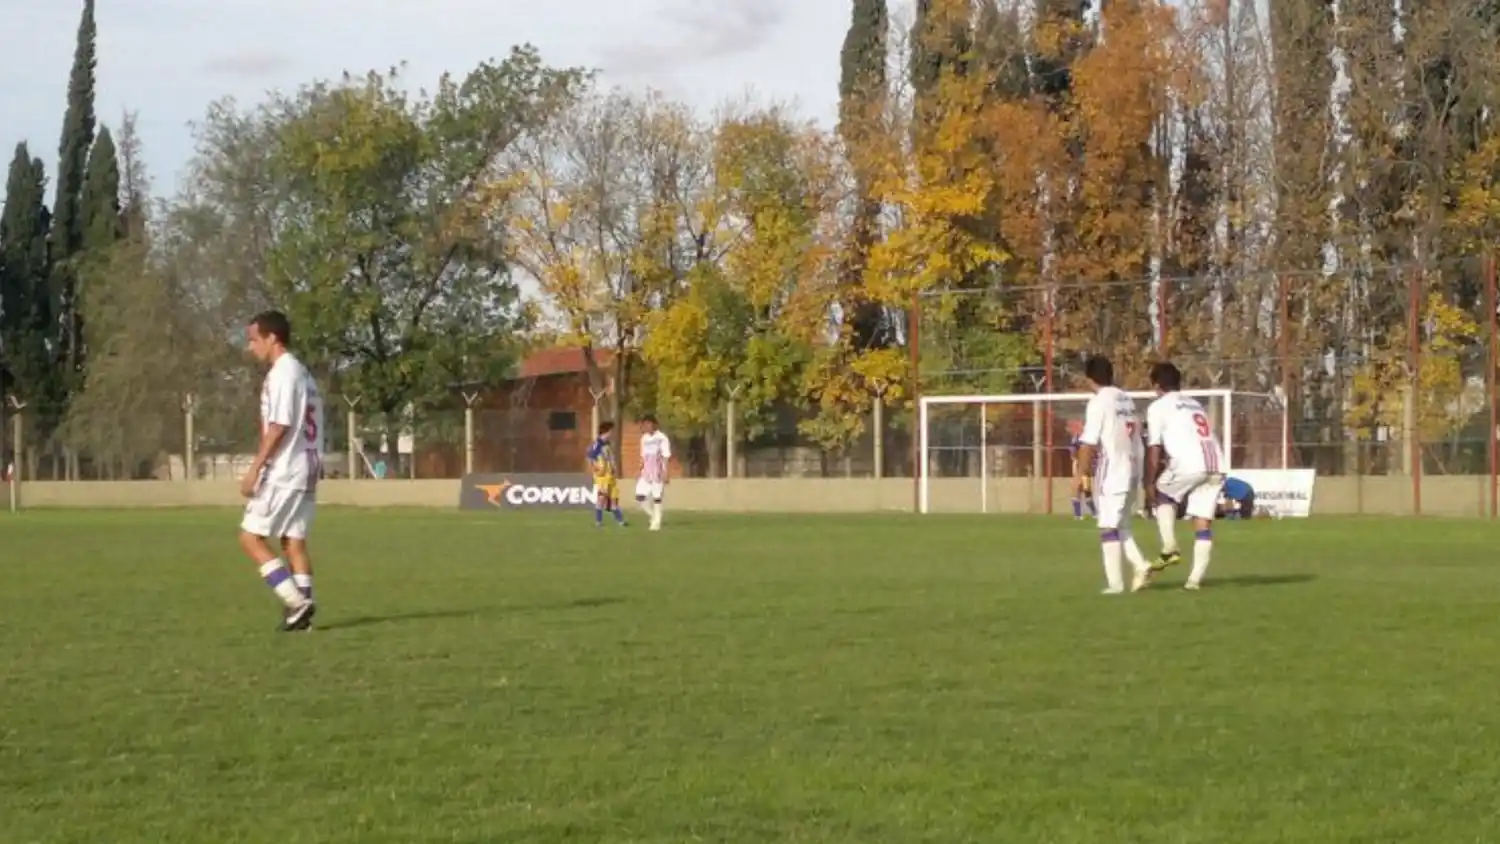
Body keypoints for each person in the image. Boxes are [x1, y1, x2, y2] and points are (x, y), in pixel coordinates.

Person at [238, 310, 323, 631]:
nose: (251, 348)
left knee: (249, 538)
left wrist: (255, 469)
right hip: (308, 468)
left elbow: (279, 426)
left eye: (254, 340)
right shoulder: (304, 374)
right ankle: (302, 619)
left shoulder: (283, 374)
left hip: (286, 469)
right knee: (293, 542)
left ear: (272, 338)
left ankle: (297, 603)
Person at [1075, 355, 1154, 594]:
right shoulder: (1126, 399)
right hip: (1133, 467)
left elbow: (1088, 443)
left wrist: (1080, 474)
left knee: (1107, 526)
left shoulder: (1099, 401)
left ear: (1089, 378)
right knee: (1122, 525)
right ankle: (1141, 565)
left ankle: (1115, 585)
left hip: (1114, 470)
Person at [1144, 362, 1225, 590]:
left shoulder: (1158, 407)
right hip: (1217, 463)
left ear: (1157, 386)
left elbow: (1154, 447)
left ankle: (1169, 548)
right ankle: (1193, 581)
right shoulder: (1194, 403)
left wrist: (1149, 481)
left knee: (1162, 493)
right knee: (1202, 522)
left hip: (1190, 463)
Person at [635, 415, 672, 531]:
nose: (647, 426)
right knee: (640, 497)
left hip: (658, 471)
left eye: (649, 424)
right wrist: (640, 468)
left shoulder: (662, 438)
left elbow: (666, 456)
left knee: (657, 497)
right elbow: (643, 456)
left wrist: (665, 472)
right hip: (646, 472)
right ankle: (653, 515)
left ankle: (656, 522)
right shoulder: (644, 438)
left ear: (655, 424)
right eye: (645, 424)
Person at [587, 421, 627, 528]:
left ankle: (620, 521)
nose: (612, 434)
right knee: (601, 498)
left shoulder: (607, 444)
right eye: (611, 431)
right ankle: (598, 522)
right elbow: (590, 457)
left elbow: (610, 456)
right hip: (602, 477)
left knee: (614, 498)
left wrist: (613, 466)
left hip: (610, 475)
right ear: (606, 431)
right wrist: (595, 468)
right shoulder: (598, 444)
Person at [1068, 425, 1098, 521]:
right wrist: (1075, 461)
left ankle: (1094, 512)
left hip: (1088, 466)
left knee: (1087, 489)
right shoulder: (1078, 438)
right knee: (1079, 487)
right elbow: (1072, 451)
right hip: (1079, 465)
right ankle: (1079, 513)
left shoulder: (1092, 438)